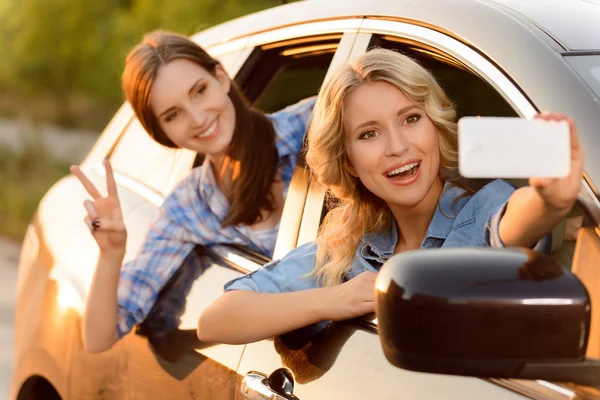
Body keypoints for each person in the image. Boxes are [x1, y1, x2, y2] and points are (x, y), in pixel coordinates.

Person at [196, 48, 583, 345]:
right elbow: (215, 321)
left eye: (411, 119)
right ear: (348, 162)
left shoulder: (480, 209)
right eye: (369, 133)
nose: (398, 147)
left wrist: (549, 201)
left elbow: (512, 222)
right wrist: (336, 300)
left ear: (435, 127)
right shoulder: (347, 251)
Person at [70, 30, 316, 353]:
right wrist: (111, 252)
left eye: (199, 91)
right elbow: (98, 337)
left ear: (221, 77)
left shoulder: (316, 122)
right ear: (163, 132)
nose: (198, 118)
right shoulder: (189, 207)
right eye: (173, 115)